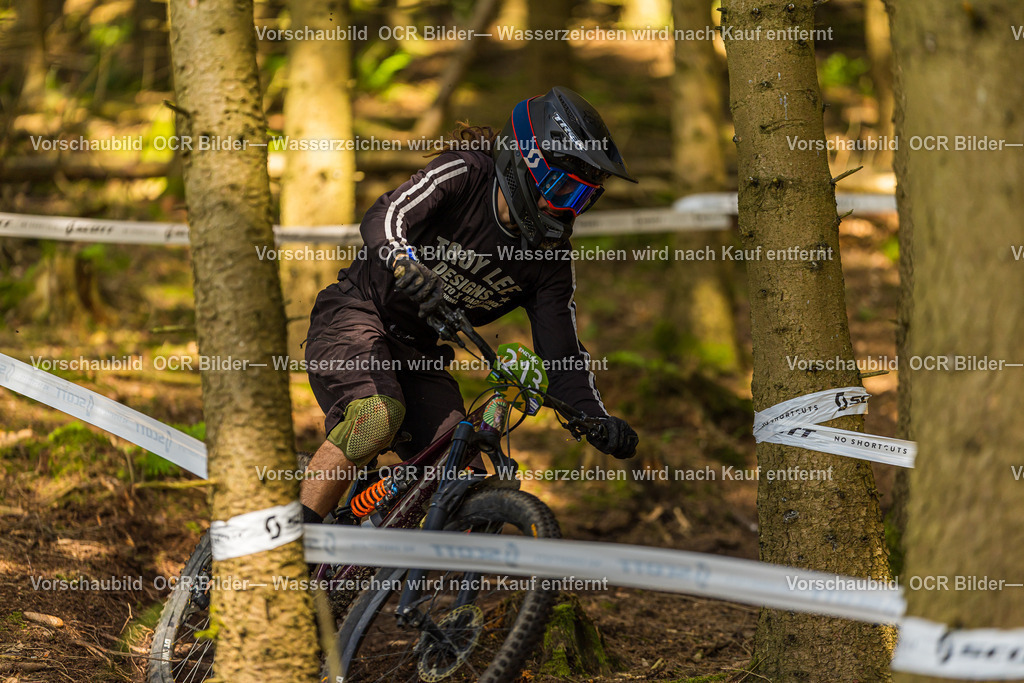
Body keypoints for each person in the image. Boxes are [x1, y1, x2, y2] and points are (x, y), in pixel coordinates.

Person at [300, 86, 640, 524]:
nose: (563, 210)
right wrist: (403, 263)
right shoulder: (466, 173)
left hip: (420, 353)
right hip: (355, 316)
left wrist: (596, 419)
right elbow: (385, 216)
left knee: (463, 479)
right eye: (561, 189)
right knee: (376, 416)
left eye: (581, 198)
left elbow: (562, 356)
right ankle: (290, 557)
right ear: (525, 164)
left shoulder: (550, 261)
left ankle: (394, 579)